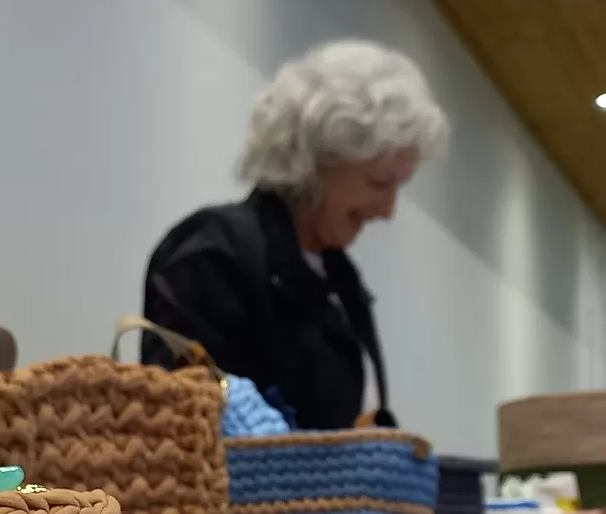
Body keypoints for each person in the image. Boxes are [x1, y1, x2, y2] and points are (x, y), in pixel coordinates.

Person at [141, 40, 448, 429]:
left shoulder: (342, 280)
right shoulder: (211, 254)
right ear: (316, 160)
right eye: (379, 183)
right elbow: (184, 428)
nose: (388, 211)